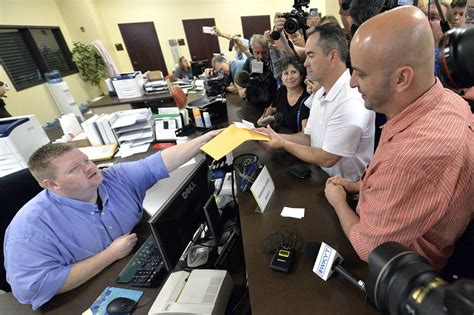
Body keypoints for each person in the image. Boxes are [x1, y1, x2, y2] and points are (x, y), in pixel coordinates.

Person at [324, 6, 473, 270]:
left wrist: (337, 201)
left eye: (361, 73)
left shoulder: (408, 160)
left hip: (406, 268)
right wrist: (361, 186)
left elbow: (368, 248)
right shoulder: (449, 101)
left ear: (402, 78)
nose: (352, 83)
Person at [4, 130, 220, 310]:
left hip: (133, 266)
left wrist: (205, 139)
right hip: (80, 297)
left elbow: (155, 164)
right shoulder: (29, 230)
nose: (89, 168)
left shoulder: (114, 178)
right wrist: (110, 255)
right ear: (52, 185)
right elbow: (33, 288)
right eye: (74, 169)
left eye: (85, 160)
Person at [259, 24, 375, 181]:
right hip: (321, 179)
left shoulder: (350, 100)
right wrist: (275, 136)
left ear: (333, 56)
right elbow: (309, 137)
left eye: (311, 56)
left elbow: (328, 158)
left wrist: (284, 144)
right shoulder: (320, 93)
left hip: (346, 190)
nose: (305, 63)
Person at [258, 56, 310, 133]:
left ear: (301, 75)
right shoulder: (282, 90)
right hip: (279, 135)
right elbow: (272, 108)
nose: (289, 77)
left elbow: (304, 134)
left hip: (294, 141)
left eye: (294, 72)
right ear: (281, 77)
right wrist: (263, 118)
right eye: (286, 73)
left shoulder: (307, 99)